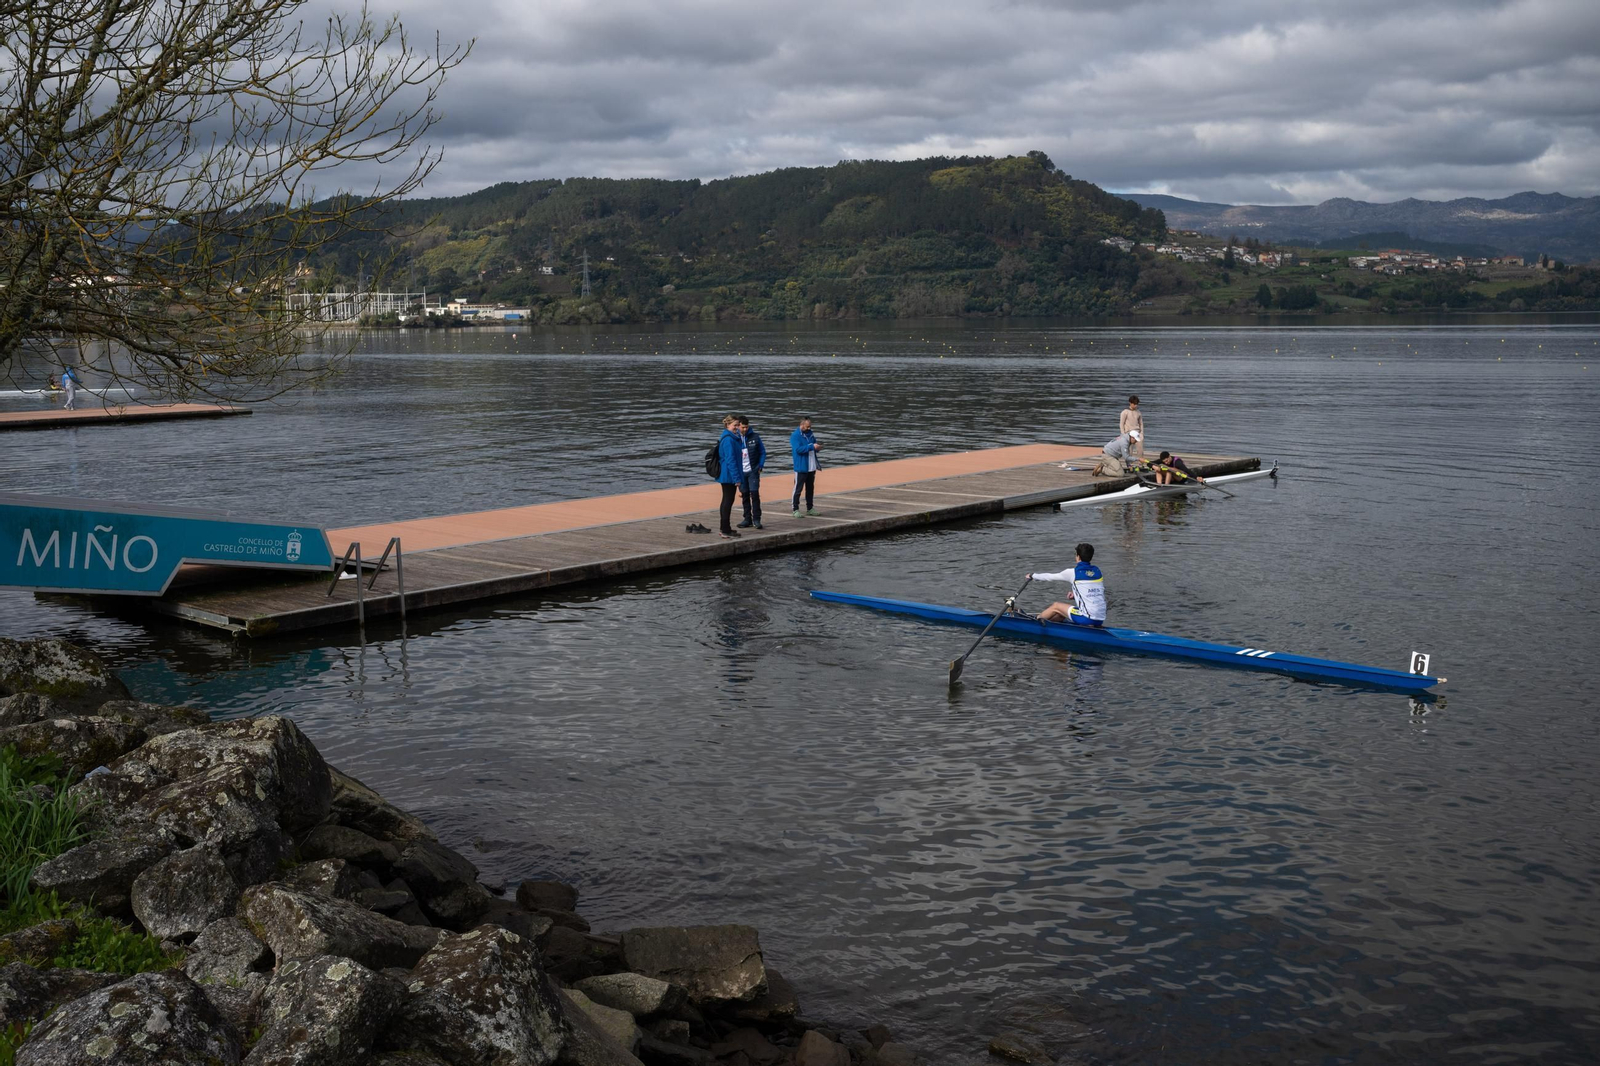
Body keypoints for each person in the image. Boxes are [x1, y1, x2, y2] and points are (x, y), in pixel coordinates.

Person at [1027, 543, 1107, 626]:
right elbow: (1093, 591)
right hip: (1100, 619)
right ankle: (1049, 624)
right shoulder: (1097, 571)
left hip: (1087, 618)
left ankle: (1034, 623)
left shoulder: (1073, 573)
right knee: (1060, 614)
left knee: (1056, 606)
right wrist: (1075, 594)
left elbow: (1049, 577)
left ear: (1078, 557)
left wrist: (1032, 576)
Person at [715, 415, 745, 538]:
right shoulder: (728, 440)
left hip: (728, 474)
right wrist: (737, 479)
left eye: (738, 425)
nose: (737, 427)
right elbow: (730, 460)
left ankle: (725, 528)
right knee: (727, 501)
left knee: (727, 500)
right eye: (734, 425)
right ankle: (724, 529)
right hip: (728, 475)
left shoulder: (733, 437)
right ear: (727, 425)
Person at [736, 416, 765, 530]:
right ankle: (747, 518)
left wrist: (760, 465)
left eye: (746, 427)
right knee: (744, 495)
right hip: (741, 471)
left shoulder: (755, 437)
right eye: (743, 427)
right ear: (738, 426)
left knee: (755, 494)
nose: (745, 429)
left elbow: (762, 452)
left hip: (753, 470)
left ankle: (757, 519)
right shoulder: (735, 438)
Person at [790, 416, 820, 517]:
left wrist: (817, 448)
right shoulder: (795, 436)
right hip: (801, 467)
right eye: (807, 426)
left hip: (811, 466)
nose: (809, 428)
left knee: (810, 488)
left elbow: (814, 445)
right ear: (802, 425)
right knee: (798, 489)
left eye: (810, 426)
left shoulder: (811, 434)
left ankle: (810, 508)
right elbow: (798, 449)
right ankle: (795, 509)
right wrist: (811, 446)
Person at [1119, 395, 1145, 460]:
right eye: (1134, 404)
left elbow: (1141, 424)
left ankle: (1140, 464)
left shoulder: (1138, 412)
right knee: (1129, 451)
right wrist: (1123, 434)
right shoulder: (1125, 412)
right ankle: (1129, 464)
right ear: (1130, 403)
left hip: (1137, 433)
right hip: (1128, 433)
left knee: (1140, 451)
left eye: (1136, 404)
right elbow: (1121, 424)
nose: (1136, 405)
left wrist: (1142, 433)